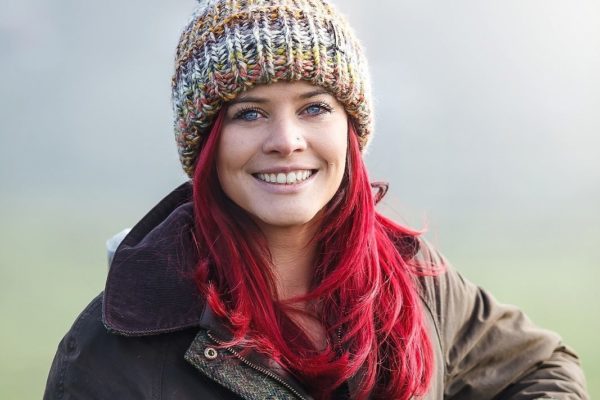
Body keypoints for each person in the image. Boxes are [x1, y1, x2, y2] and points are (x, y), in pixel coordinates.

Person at [44, 0, 588, 399]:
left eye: (314, 108)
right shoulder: (116, 347)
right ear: (207, 144)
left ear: (350, 130)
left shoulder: (407, 275)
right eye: (250, 113)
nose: (286, 140)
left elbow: (542, 368)